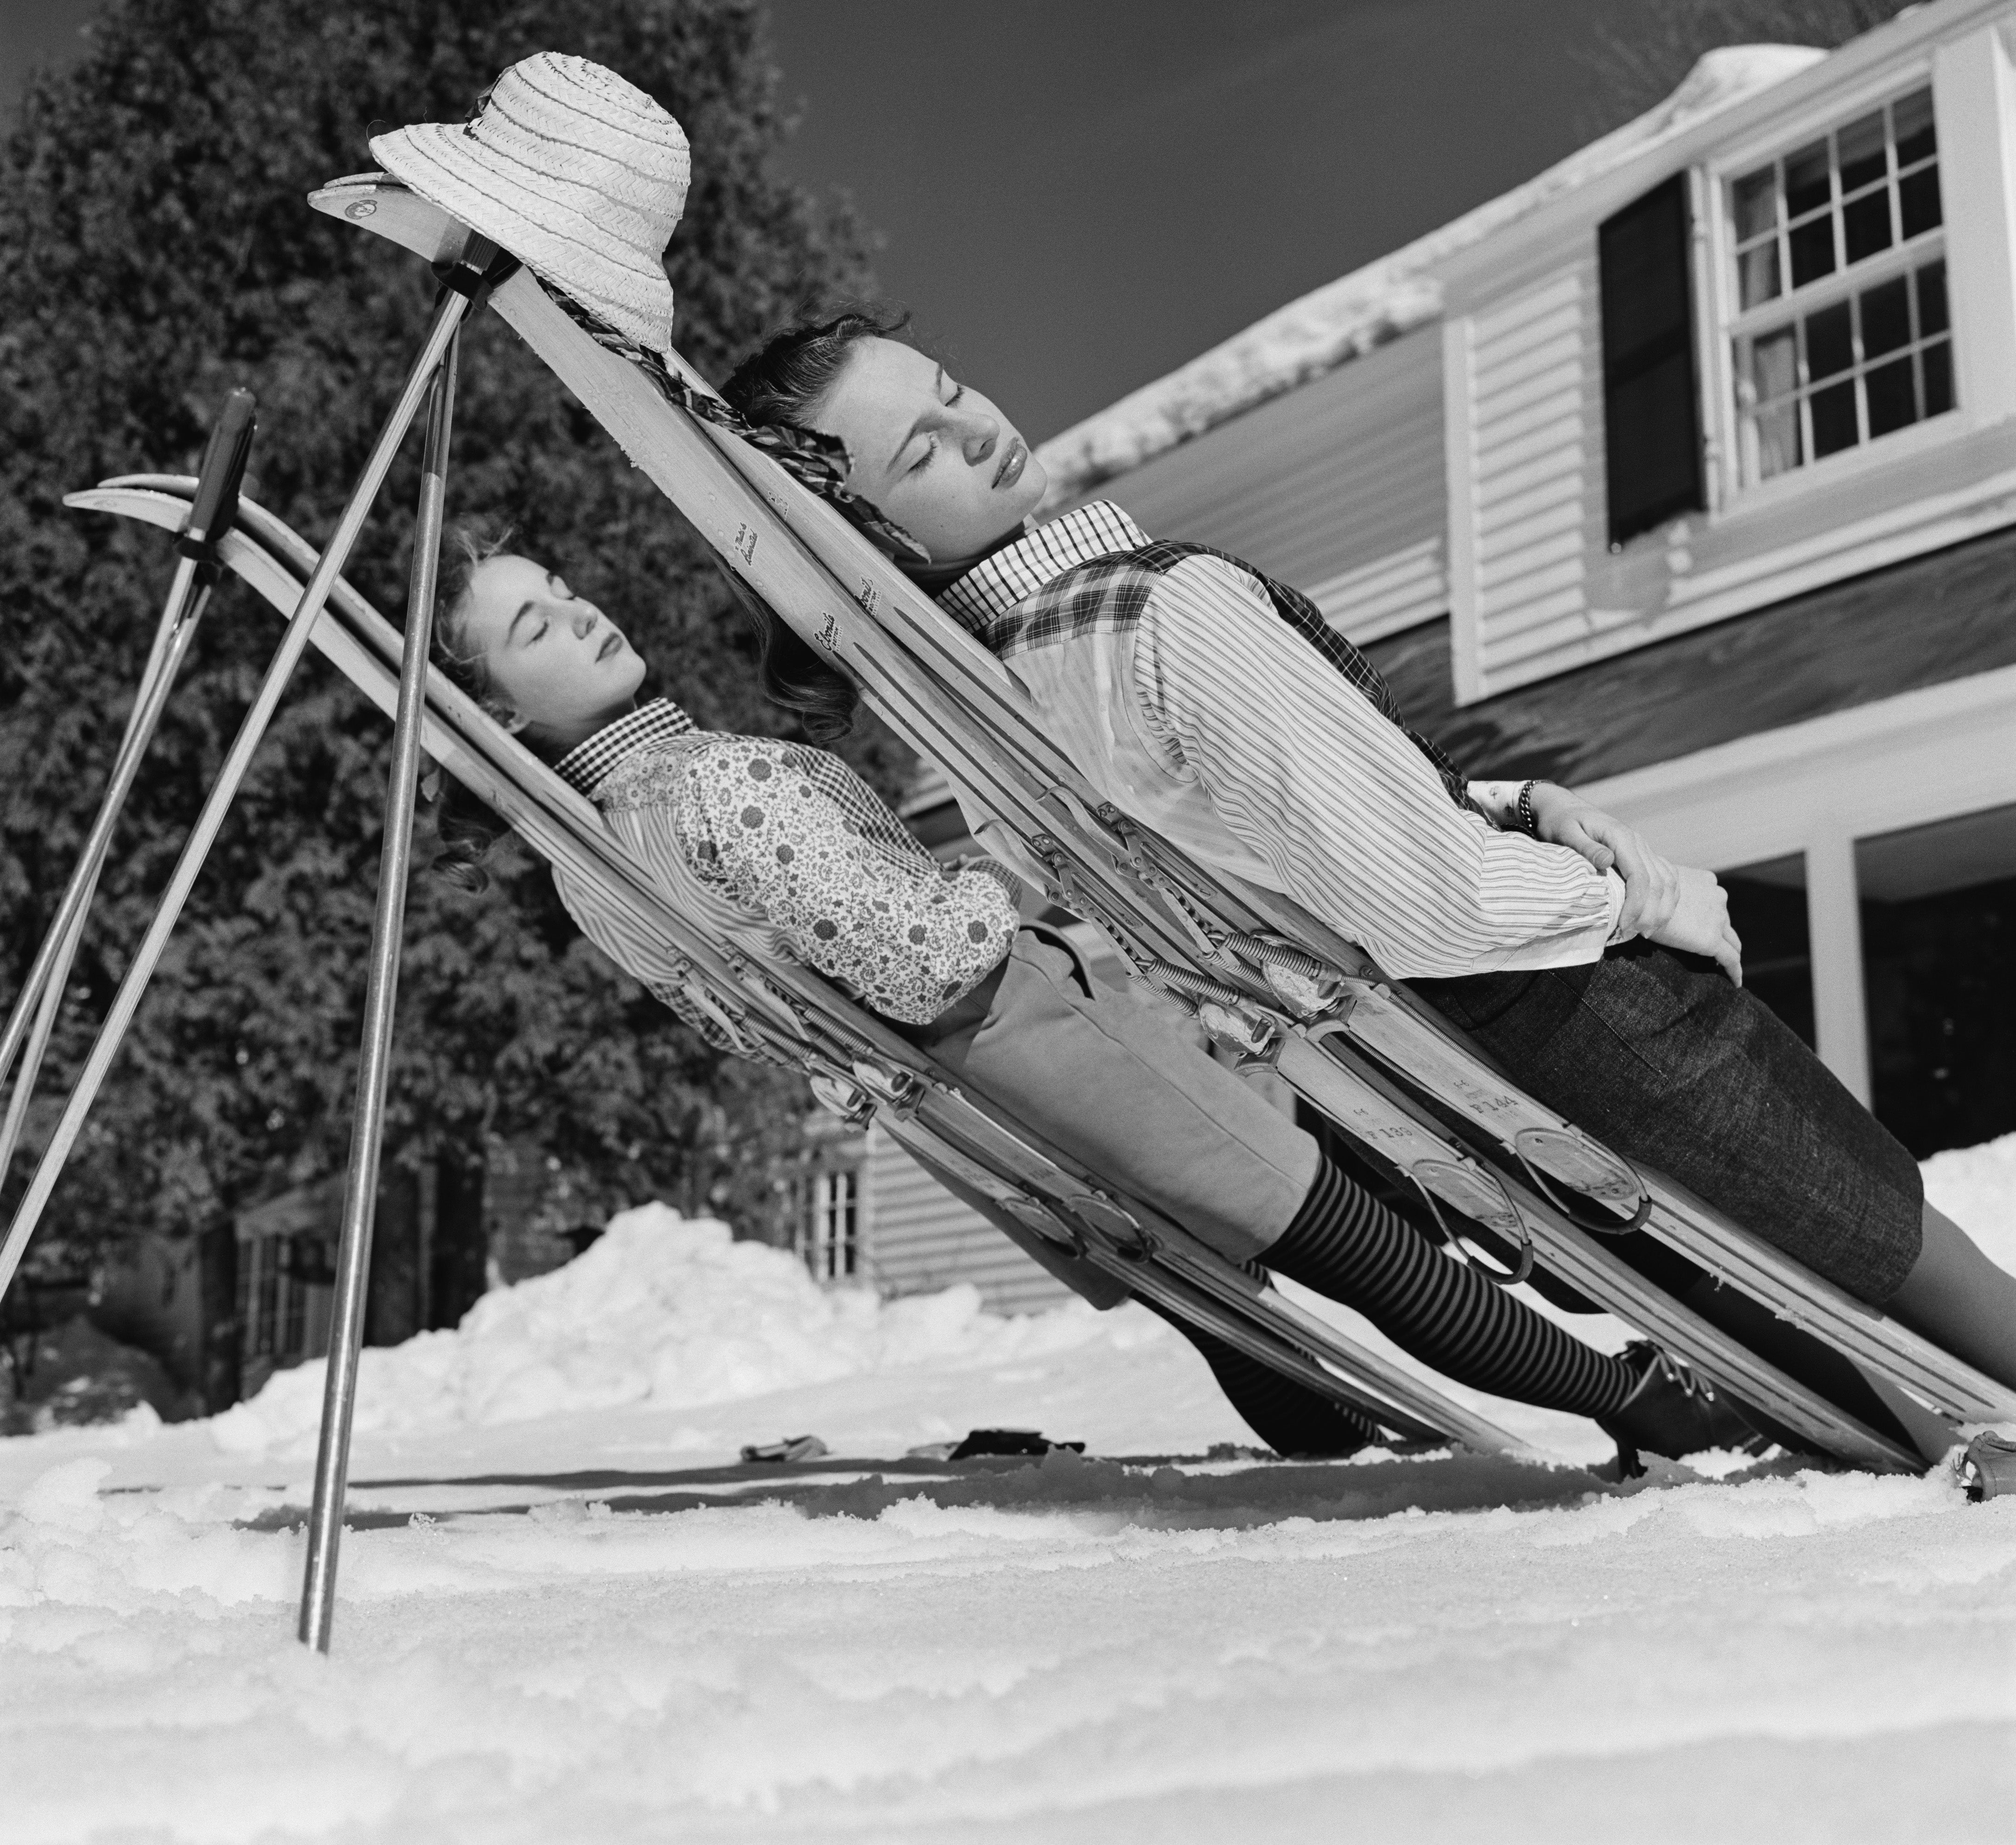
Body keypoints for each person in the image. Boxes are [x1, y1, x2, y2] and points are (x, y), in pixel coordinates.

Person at [717, 314, 2016, 1397]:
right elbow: (1428, 898)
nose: (979, 428)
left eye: (950, 390)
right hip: (1555, 1002)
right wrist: (1638, 897)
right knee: (1901, 1257)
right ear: (871, 535)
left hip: (1425, 1076)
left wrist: (1511, 797)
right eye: (922, 451)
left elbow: (1267, 842)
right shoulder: (1158, 613)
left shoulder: (1004, 698)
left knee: (1809, 1344)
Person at [423, 522, 1752, 1466]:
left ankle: (1318, 1417)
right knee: (1346, 1228)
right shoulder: (715, 785)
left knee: (1210, 1259)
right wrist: (1022, 883)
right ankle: (1639, 1399)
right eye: (533, 625)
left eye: (563, 587)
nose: (583, 609)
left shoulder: (597, 861)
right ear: (499, 714)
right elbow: (920, 954)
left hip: (953, 1101)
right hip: (1018, 1029)